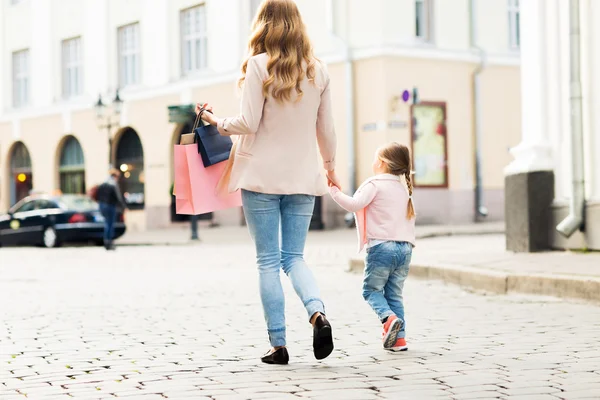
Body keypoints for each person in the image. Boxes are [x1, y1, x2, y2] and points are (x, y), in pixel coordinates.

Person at [196, 0, 339, 365]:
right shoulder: (318, 71)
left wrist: (214, 120)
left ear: (263, 25)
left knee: (267, 262)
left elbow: (248, 122)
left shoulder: (259, 66)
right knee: (294, 257)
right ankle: (317, 313)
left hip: (259, 176)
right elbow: (327, 130)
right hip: (305, 176)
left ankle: (279, 346)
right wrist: (330, 167)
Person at [328, 143, 416, 351]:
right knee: (394, 294)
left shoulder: (374, 184)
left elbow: (353, 205)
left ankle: (388, 318)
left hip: (382, 248)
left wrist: (333, 191)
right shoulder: (403, 188)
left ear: (382, 163)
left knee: (371, 291)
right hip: (405, 249)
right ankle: (399, 340)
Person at [96, 169, 127, 251]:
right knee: (110, 224)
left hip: (102, 205)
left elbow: (98, 195)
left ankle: (106, 241)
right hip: (110, 205)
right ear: (115, 176)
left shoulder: (103, 183)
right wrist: (123, 207)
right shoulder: (113, 184)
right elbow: (118, 197)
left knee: (107, 223)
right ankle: (109, 242)